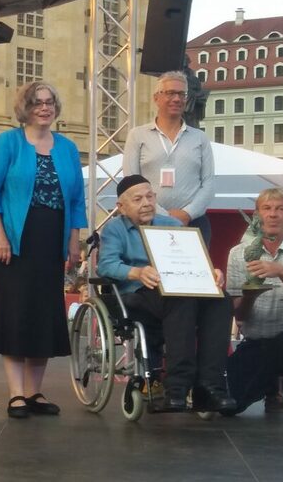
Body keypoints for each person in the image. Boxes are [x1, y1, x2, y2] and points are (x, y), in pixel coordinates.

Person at [0, 81, 87, 418]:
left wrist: (74, 240)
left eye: (50, 102)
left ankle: (34, 391)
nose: (45, 107)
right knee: (15, 314)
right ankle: (15, 394)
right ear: (25, 108)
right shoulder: (9, 143)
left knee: (43, 314)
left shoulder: (68, 148)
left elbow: (76, 199)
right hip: (12, 241)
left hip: (50, 241)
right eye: (37, 102)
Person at [97, 174, 236, 412]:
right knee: (180, 298)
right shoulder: (114, 229)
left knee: (221, 300)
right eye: (138, 199)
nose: (146, 202)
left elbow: (194, 259)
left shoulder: (172, 225)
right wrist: (137, 272)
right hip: (139, 294)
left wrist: (210, 271)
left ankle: (211, 386)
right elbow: (106, 265)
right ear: (121, 206)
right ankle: (177, 387)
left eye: (150, 196)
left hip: (180, 291)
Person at [123, 70, 214, 246]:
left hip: (193, 222)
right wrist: (164, 216)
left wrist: (187, 213)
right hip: (149, 220)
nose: (177, 99)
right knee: (152, 273)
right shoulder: (138, 135)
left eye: (182, 94)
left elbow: (209, 184)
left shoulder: (199, 138)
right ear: (156, 98)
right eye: (170, 93)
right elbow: (131, 183)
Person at [226, 188, 283, 414]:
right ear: (257, 215)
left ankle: (271, 384)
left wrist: (281, 271)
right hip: (257, 343)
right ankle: (272, 385)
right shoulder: (238, 254)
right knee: (230, 404)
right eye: (267, 208)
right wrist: (249, 297)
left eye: (281, 209)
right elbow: (240, 318)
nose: (273, 214)